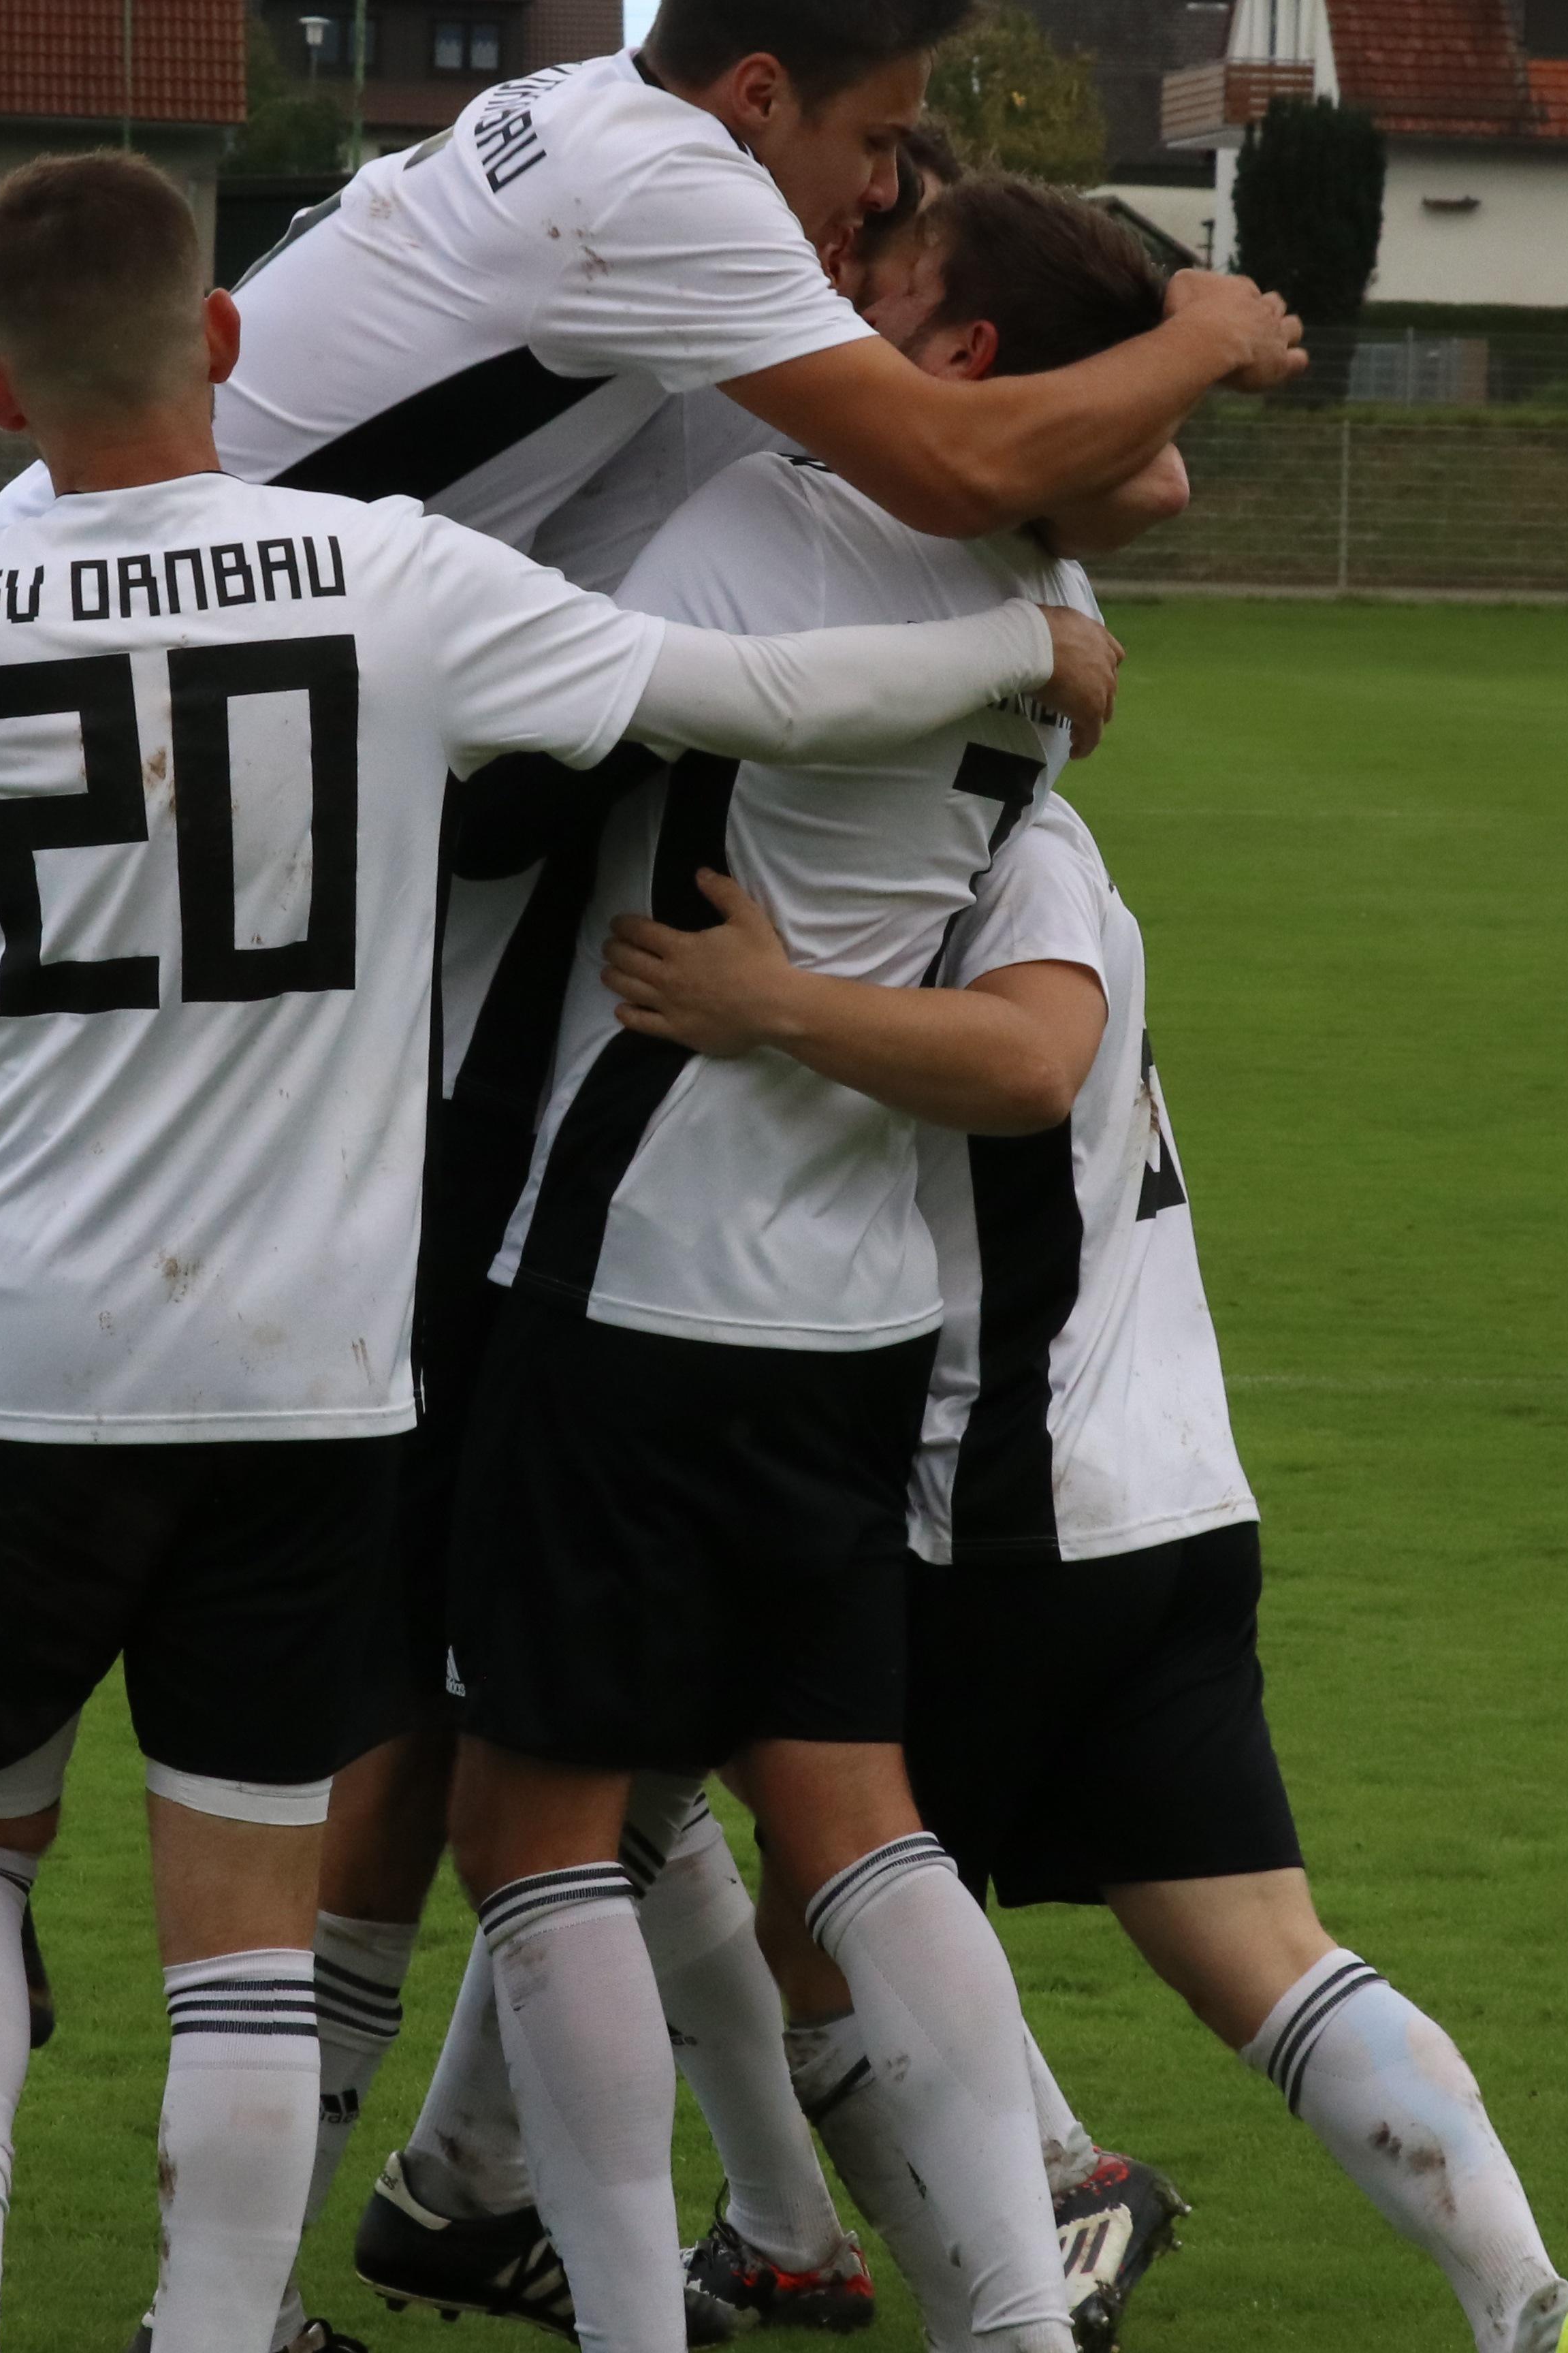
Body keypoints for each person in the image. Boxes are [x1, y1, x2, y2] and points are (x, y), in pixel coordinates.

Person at [0, 151, 1122, 2353]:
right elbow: (749, 699)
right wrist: (1027, 637)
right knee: (245, 1943)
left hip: (15, 1351)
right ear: (227, 344)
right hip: (309, 1378)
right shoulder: (401, 582)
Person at [218, 0, 1292, 2353]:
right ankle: (991, 2254)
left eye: (911, 214)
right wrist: (1164, 394)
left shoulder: (760, 497)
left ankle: (448, 2272)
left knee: (501, 1794)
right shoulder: (921, 509)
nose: (871, 219)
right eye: (880, 149)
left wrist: (1133, 387)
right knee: (815, 1796)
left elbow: (936, 485)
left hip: (571, 1239)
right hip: (845, 1309)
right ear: (758, 105)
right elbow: (1069, 485)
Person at [591, 788, 1568, 2353]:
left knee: (821, 1938)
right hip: (1170, 1501)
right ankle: (1539, 2313)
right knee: (1263, 1946)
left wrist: (766, 998)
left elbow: (1029, 1063)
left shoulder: (1005, 859)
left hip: (1004, 1514)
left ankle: (986, 2276)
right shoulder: (1040, 842)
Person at [423, 176, 1189, 2353]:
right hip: (854, 1312)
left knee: (538, 1830)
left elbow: (559, 696)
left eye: (885, 290)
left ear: (956, 370)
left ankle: (634, 2326)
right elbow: (1128, 459)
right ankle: (1019, 2315)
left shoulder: (767, 532)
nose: (827, 308)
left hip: (641, 1271)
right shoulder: (1039, 591)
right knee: (854, 1821)